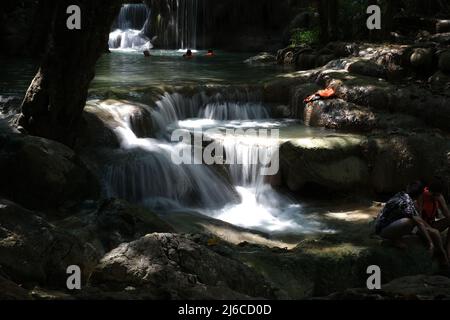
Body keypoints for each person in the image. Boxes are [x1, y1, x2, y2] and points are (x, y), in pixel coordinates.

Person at [375, 181, 449, 266]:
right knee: (409, 222)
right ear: (420, 194)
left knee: (414, 222)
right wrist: (431, 242)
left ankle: (446, 250)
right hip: (383, 230)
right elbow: (419, 222)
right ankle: (393, 239)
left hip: (385, 225)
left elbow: (445, 214)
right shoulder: (408, 203)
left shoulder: (402, 194)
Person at [417, 177, 450, 258]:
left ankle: (448, 246)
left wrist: (441, 202)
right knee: (434, 232)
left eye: (439, 194)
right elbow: (418, 218)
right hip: (422, 228)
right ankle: (442, 255)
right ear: (431, 191)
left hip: (432, 224)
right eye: (436, 195)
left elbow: (447, 215)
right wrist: (429, 228)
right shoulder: (422, 196)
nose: (437, 197)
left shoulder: (439, 197)